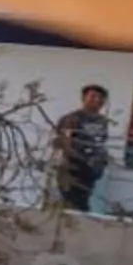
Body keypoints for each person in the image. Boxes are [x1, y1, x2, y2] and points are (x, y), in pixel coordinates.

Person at [52, 82, 112, 213]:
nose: (97, 100)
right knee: (73, 206)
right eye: (93, 96)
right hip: (72, 170)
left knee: (83, 203)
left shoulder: (102, 122)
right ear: (84, 98)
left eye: (101, 98)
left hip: (91, 173)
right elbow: (61, 143)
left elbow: (100, 143)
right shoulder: (72, 119)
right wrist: (80, 158)